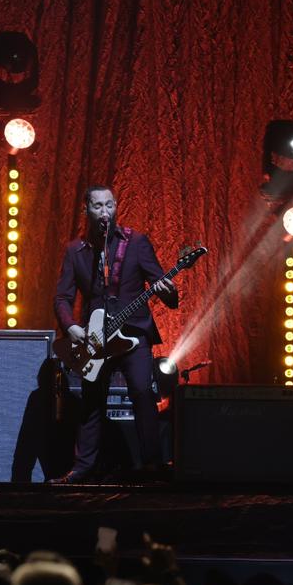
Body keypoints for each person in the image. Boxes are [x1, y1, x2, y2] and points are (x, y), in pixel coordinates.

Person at [50, 185, 176, 483]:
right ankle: (82, 468)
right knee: (92, 401)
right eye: (97, 206)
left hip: (134, 335)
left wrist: (167, 290)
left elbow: (164, 288)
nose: (104, 212)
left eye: (109, 205)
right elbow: (62, 297)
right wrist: (71, 326)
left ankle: (152, 466)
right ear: (87, 211)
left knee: (143, 394)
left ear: (116, 207)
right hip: (95, 338)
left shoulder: (136, 243)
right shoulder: (76, 251)